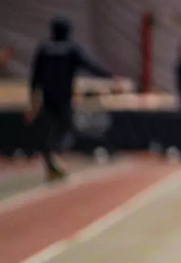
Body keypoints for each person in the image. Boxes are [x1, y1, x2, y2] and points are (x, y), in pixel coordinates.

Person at [26, 17, 115, 180]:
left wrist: (33, 100)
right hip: (64, 96)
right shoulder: (71, 48)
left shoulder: (44, 49)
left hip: (48, 97)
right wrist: (109, 76)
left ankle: (51, 157)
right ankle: (57, 153)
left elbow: (35, 77)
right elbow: (89, 65)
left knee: (51, 128)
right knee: (67, 127)